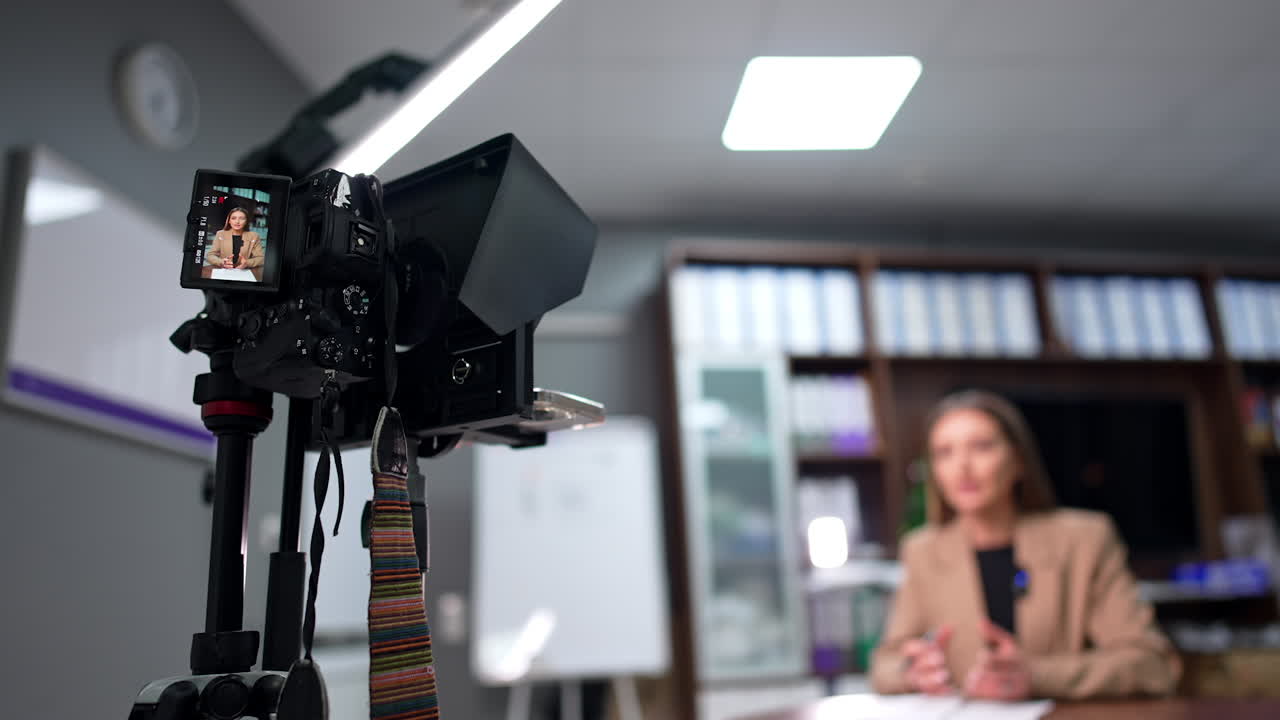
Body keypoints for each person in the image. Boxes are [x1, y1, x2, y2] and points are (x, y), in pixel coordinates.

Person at [870, 390, 1181, 700]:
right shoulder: (923, 550)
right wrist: (912, 671)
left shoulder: (1085, 539)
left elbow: (1152, 665)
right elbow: (884, 665)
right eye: (944, 452)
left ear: (1018, 459)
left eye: (981, 447)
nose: (962, 466)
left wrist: (1036, 676)